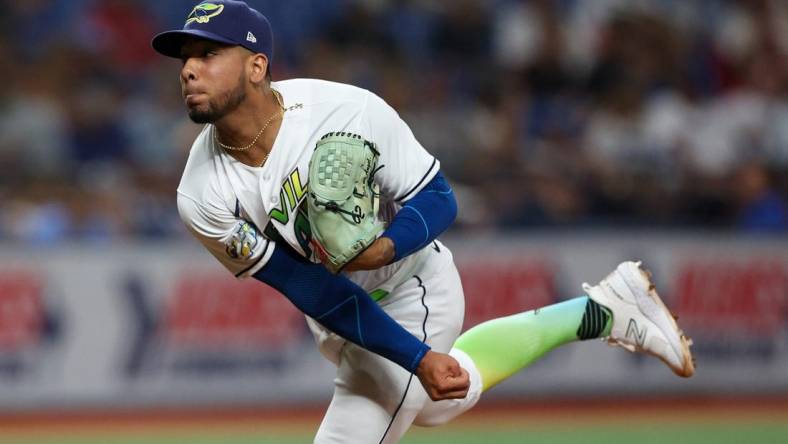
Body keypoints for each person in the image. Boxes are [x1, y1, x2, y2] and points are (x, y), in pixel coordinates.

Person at [152, 1, 695, 442]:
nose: (189, 69)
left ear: (256, 65)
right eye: (183, 58)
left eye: (208, 53)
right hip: (343, 313)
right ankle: (600, 310)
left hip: (412, 285)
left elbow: (438, 198)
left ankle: (597, 310)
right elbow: (307, 286)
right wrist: (418, 359)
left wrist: (384, 251)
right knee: (442, 396)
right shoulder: (200, 194)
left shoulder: (344, 111)